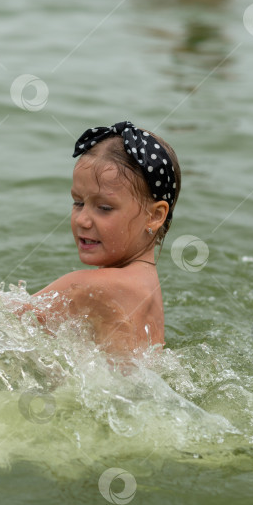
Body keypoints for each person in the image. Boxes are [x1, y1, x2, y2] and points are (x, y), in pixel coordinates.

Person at [32, 121, 181, 358]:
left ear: (155, 216)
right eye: (78, 202)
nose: (82, 220)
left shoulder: (93, 288)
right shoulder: (146, 286)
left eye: (104, 207)